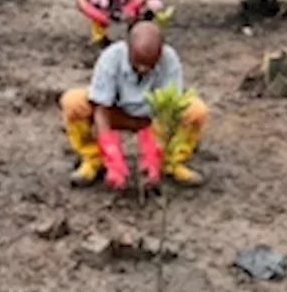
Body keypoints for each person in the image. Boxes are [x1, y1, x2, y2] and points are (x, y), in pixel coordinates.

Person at [59, 21, 207, 188]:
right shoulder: (111, 57)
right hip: (116, 113)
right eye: (138, 62)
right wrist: (111, 153)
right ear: (128, 47)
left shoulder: (169, 59)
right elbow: (101, 108)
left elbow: (168, 110)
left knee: (196, 110)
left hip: (152, 118)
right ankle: (93, 159)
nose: (143, 69)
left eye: (149, 64)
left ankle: (171, 163)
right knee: (73, 101)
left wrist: (152, 153)